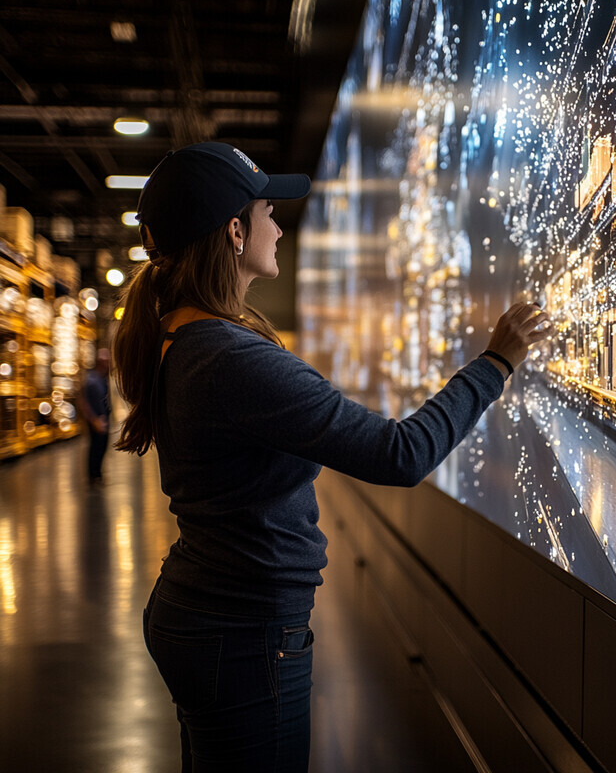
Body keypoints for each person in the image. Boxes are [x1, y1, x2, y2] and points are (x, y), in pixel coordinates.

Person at [112, 141, 550, 773]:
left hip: (212, 618)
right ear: (234, 232)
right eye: (268, 210)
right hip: (244, 637)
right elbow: (402, 454)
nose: (279, 224)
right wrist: (496, 362)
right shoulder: (230, 358)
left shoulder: (187, 338)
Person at [80, 347, 111, 483]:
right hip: (96, 420)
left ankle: (97, 473)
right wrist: (93, 419)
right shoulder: (92, 380)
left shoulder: (100, 379)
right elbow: (84, 402)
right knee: (96, 446)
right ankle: (93, 474)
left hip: (102, 419)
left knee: (101, 446)